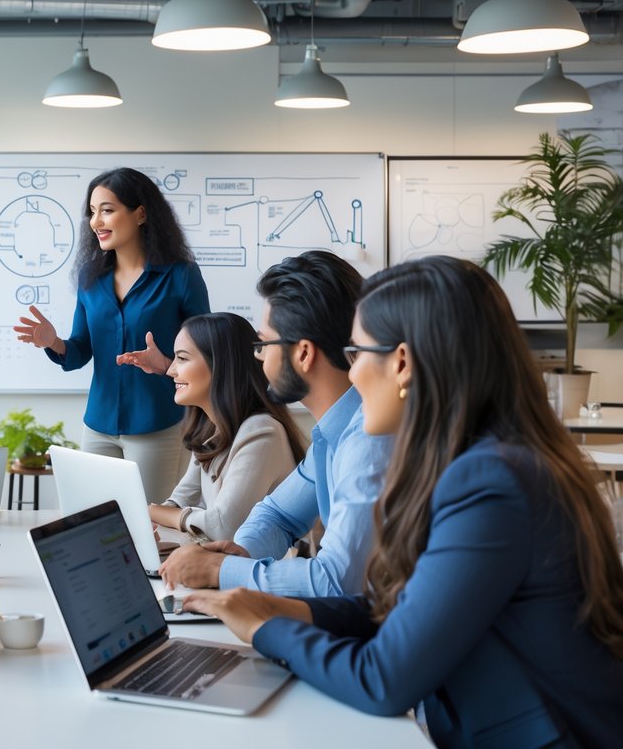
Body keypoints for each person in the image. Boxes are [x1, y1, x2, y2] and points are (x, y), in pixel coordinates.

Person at [184, 256, 623, 747]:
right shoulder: (485, 459)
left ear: (403, 363)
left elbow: (384, 678)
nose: (351, 372)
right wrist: (282, 608)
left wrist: (264, 628)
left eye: (356, 351)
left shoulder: (490, 480)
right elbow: (402, 610)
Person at [160, 250, 391, 596]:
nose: (259, 356)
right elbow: (276, 516)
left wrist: (222, 570)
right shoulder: (330, 436)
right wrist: (241, 554)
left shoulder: (368, 441)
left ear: (303, 353)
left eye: (264, 343)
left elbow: (336, 580)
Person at [14, 167, 210, 503]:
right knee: (95, 524)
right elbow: (79, 352)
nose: (96, 222)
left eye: (107, 210)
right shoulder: (91, 278)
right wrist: (53, 342)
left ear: (141, 214)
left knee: (151, 526)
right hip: (98, 425)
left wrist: (165, 363)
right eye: (92, 212)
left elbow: (208, 351)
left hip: (157, 425)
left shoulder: (180, 275)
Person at [148, 312, 305, 542]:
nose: (171, 370)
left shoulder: (262, 431)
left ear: (221, 365)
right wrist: (159, 515)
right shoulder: (209, 427)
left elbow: (223, 526)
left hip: (263, 571)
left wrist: (156, 512)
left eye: (182, 358)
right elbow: (184, 498)